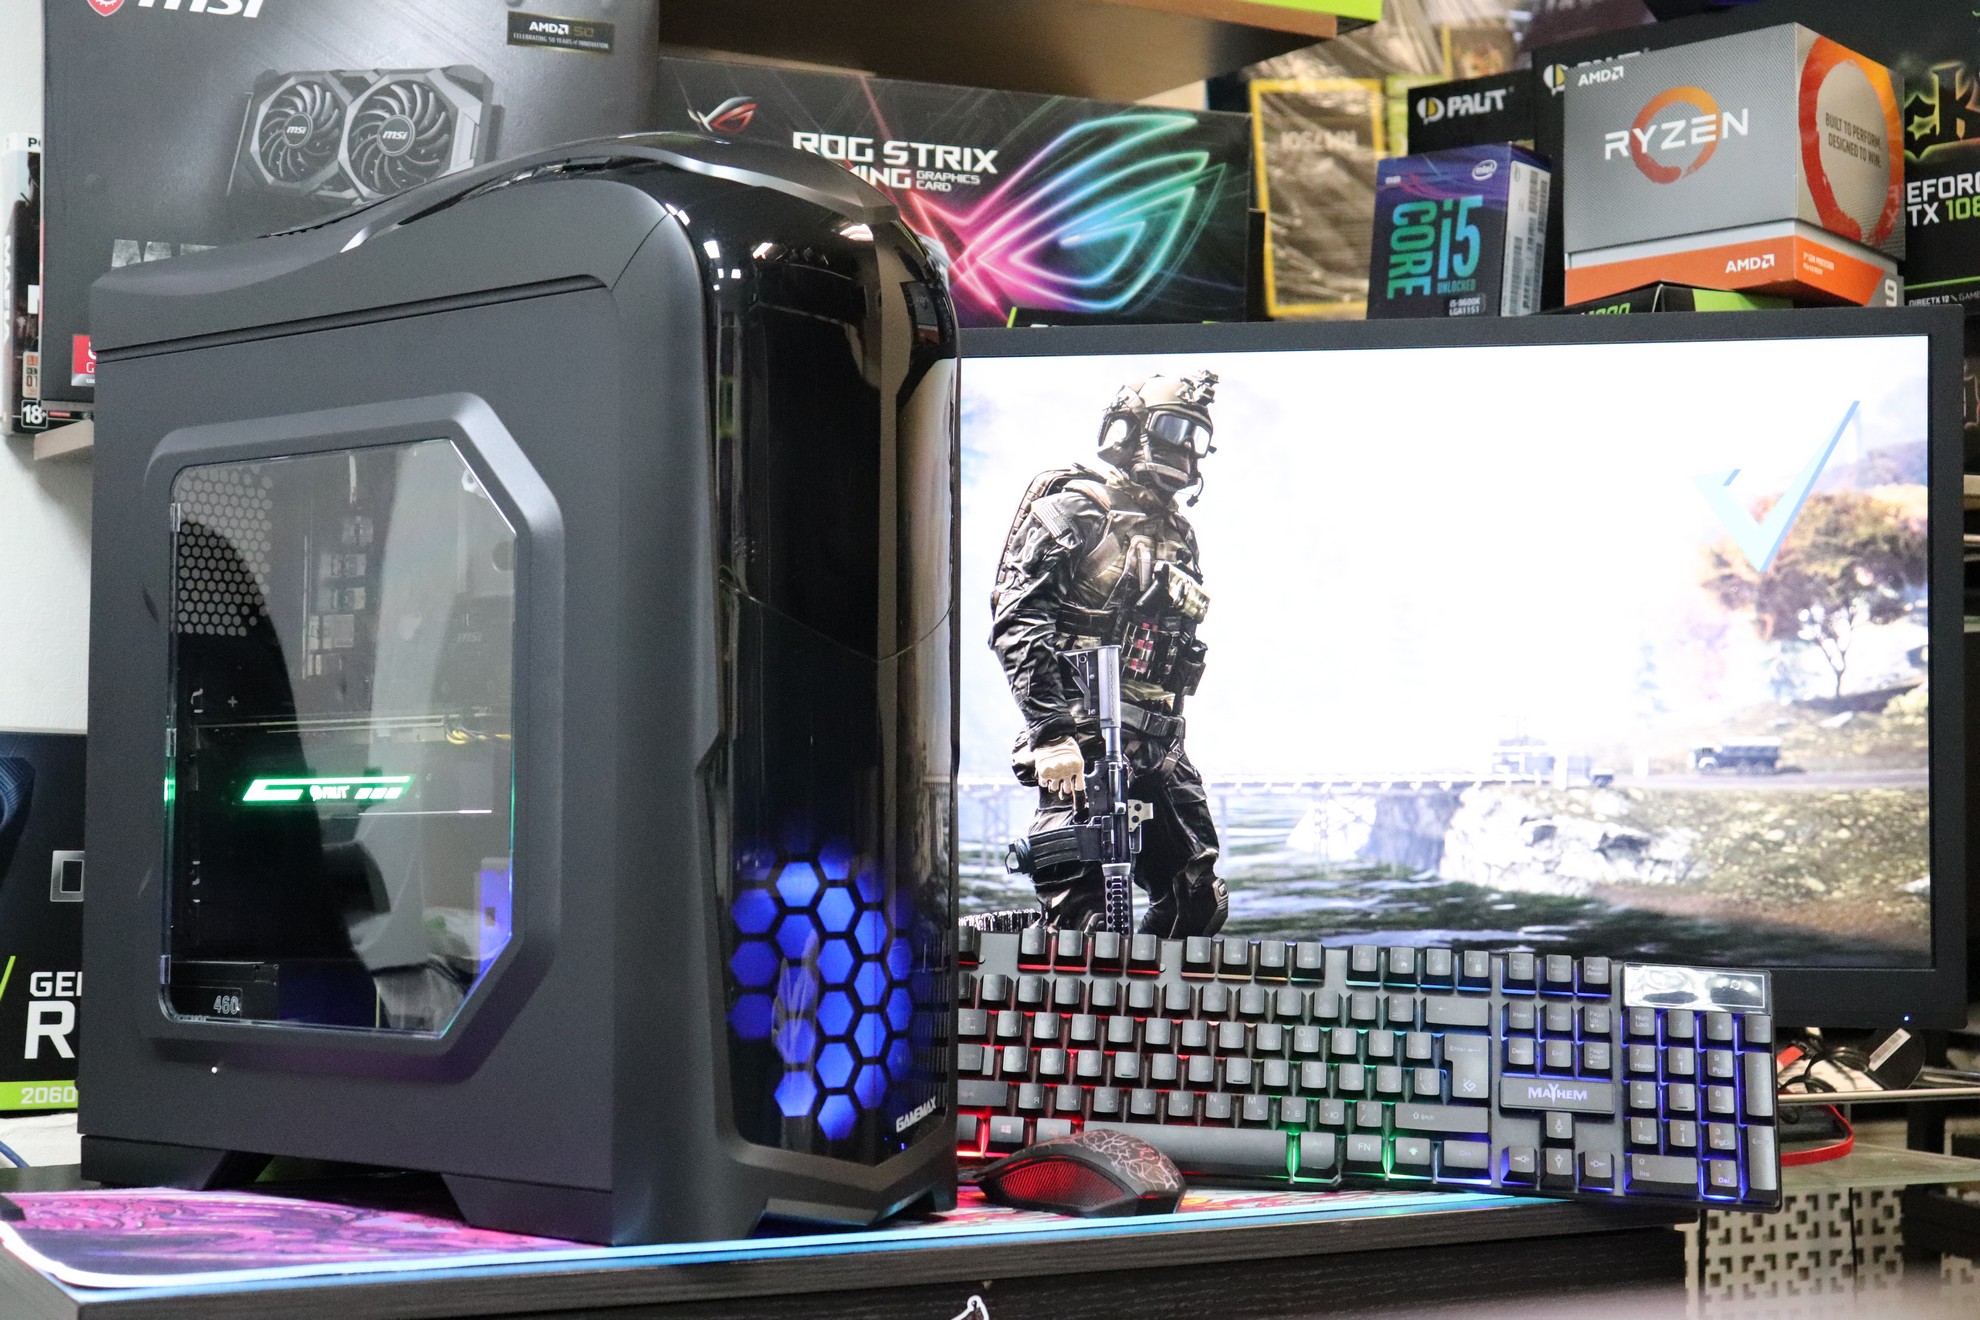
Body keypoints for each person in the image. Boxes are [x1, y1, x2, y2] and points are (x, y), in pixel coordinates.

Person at [990, 371, 1228, 937]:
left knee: (1197, 903)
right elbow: (1018, 620)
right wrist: (1052, 735)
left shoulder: (1178, 532)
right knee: (1085, 929)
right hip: (1084, 741)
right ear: (1128, 430)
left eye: (1196, 437)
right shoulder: (1078, 508)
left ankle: (1148, 993)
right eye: (1173, 429)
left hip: (1158, 742)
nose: (1185, 450)